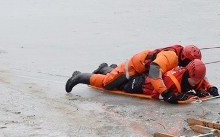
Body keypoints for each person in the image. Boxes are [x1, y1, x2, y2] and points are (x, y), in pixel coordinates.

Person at [65, 44, 202, 104]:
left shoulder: (179, 57)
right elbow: (155, 73)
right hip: (134, 67)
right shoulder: (170, 57)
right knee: (107, 83)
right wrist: (165, 93)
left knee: (118, 79)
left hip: (142, 70)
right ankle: (80, 76)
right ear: (185, 58)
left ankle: (106, 68)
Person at [115, 59, 219, 100]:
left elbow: (203, 82)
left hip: (150, 76)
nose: (197, 82)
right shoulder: (172, 80)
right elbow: (156, 93)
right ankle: (106, 69)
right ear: (189, 75)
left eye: (199, 79)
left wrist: (210, 88)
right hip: (143, 85)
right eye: (195, 80)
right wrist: (176, 96)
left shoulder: (196, 77)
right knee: (120, 84)